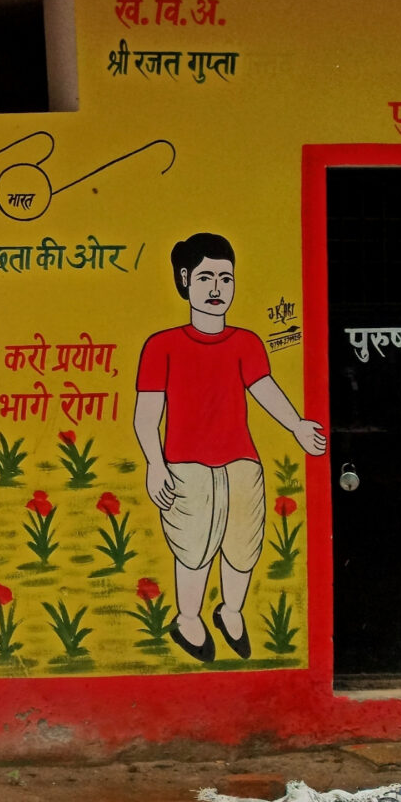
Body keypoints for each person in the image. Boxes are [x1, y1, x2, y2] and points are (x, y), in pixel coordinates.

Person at [132, 233, 326, 663]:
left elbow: (265, 389)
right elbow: (146, 415)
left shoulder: (246, 343)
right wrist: (155, 465)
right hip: (185, 466)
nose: (217, 289)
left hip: (242, 462)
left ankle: (232, 611)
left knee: (243, 546)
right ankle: (188, 619)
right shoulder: (161, 345)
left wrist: (296, 425)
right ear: (185, 281)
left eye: (226, 278)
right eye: (205, 278)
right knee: (193, 548)